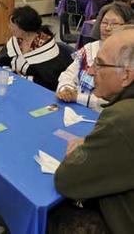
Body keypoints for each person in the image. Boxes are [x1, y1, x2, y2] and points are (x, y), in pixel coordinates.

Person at [48, 26, 134, 234]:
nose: (91, 71)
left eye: (100, 64)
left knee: (54, 215)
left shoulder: (121, 117)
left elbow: (66, 181)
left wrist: (80, 150)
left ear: (126, 76)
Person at [56, 2, 134, 111]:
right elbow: (68, 74)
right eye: (104, 22)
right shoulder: (90, 48)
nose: (107, 28)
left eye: (114, 24)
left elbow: (114, 104)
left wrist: (78, 98)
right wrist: (66, 88)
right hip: (73, 108)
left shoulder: (128, 59)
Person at [0, 5, 71, 91]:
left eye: (12, 25)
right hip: (14, 86)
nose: (9, 28)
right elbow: (1, 62)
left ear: (23, 28)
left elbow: (49, 82)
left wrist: (22, 79)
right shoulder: (16, 41)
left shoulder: (45, 47)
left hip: (37, 91)